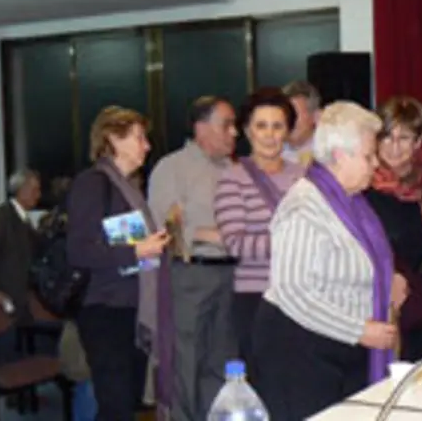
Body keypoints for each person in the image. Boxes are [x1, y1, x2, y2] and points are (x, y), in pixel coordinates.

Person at [252, 101, 406, 420]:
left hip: (337, 347)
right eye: (368, 156)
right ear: (340, 156)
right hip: (298, 350)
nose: (376, 164)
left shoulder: (350, 202)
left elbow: (363, 262)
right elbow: (295, 291)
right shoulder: (304, 205)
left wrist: (388, 281)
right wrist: (358, 330)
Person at [66, 106, 172, 421]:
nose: (147, 146)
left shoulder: (131, 189)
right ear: (113, 139)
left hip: (131, 310)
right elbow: (80, 251)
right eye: (140, 138)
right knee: (116, 407)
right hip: (105, 311)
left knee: (124, 405)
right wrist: (138, 252)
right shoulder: (93, 183)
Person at [148, 96, 239, 421]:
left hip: (231, 275)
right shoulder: (172, 167)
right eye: (226, 125)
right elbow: (165, 225)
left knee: (224, 359)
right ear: (201, 128)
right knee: (186, 361)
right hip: (191, 275)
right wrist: (213, 234)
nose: (234, 132)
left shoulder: (235, 169)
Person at [213, 89, 302, 367]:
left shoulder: (304, 177)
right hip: (256, 298)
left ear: (287, 131)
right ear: (247, 131)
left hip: (302, 294)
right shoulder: (232, 179)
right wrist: (294, 241)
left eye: (278, 126)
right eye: (261, 126)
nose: (270, 135)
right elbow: (236, 244)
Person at [365, 96, 422, 361]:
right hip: (385, 301)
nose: (394, 147)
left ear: (418, 141)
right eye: (387, 137)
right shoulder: (363, 184)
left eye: (403, 138)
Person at [0, 169, 42, 324]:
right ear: (21, 190)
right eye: (35, 190)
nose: (38, 195)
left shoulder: (23, 218)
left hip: (25, 290)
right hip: (9, 290)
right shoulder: (0, 218)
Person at [281, 80, 321, 165]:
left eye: (295, 114)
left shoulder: (327, 154)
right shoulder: (270, 151)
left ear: (315, 116)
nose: (290, 120)